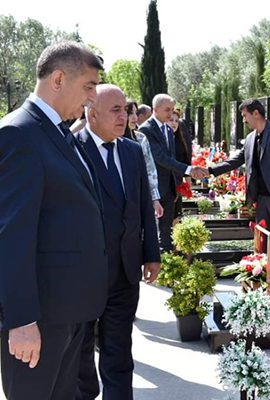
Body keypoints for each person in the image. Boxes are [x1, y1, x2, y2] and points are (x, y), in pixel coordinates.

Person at [0, 41, 108, 400]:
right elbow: (11, 236)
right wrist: (21, 321)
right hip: (39, 320)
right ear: (58, 79)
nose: (92, 98)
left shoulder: (59, 131)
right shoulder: (19, 133)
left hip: (69, 312)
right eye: (89, 86)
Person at [74, 84, 160, 400]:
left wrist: (152, 253)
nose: (124, 116)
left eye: (125, 110)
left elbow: (143, 205)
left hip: (125, 271)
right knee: (81, 357)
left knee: (119, 354)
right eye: (116, 110)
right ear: (92, 114)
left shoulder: (132, 151)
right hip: (84, 275)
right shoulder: (72, 149)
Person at [208, 98, 270, 263]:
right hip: (261, 198)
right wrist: (210, 170)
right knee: (263, 238)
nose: (243, 120)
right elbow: (236, 160)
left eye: (245, 115)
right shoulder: (250, 138)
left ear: (256, 113)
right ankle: (268, 270)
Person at [139, 94, 207, 251]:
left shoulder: (168, 129)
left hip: (169, 189)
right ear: (155, 109)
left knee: (166, 233)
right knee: (152, 232)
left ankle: (167, 261)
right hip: (153, 190)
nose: (171, 114)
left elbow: (172, 157)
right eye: (167, 110)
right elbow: (160, 158)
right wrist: (189, 170)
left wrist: (178, 183)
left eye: (172, 109)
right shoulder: (146, 130)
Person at [125, 99, 163, 219]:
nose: (134, 117)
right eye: (130, 113)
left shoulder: (140, 138)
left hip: (140, 194)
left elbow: (150, 169)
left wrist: (155, 199)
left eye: (135, 113)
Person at [168, 110, 192, 225]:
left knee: (175, 217)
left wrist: (188, 186)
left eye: (176, 121)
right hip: (166, 185)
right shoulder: (162, 141)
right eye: (171, 120)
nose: (174, 123)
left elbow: (186, 163)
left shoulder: (180, 140)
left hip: (178, 184)